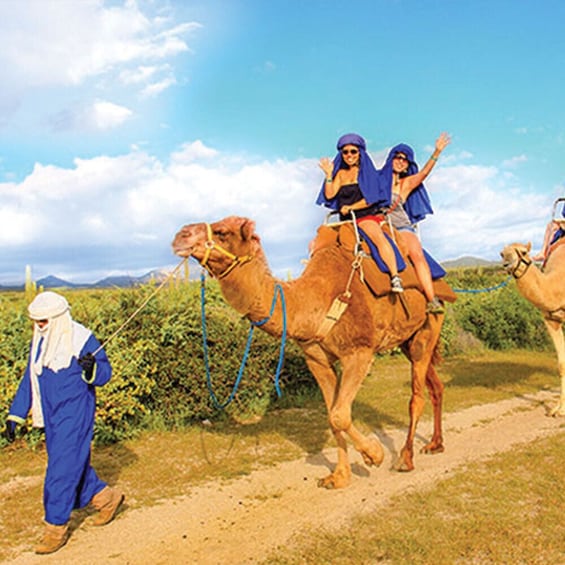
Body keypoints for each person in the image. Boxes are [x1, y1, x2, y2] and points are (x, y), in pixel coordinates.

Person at [3, 291, 124, 555]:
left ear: (57, 317)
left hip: (75, 413)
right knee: (72, 465)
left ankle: (55, 527)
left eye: (43, 320)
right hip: (51, 414)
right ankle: (106, 498)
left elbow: (105, 374)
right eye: (36, 320)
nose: (39, 325)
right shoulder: (40, 340)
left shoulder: (82, 339)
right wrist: (16, 415)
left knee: (60, 471)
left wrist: (91, 367)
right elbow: (30, 378)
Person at [317, 133, 404, 293]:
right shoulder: (341, 175)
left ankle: (395, 276)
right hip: (344, 219)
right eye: (345, 152)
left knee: (377, 237)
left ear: (360, 153)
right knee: (317, 242)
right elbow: (330, 195)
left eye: (353, 151)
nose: (349, 155)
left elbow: (371, 198)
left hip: (364, 216)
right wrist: (329, 175)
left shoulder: (367, 173)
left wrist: (351, 207)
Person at [378, 133, 451, 313]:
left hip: (401, 226)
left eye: (405, 160)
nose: (401, 161)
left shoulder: (406, 184)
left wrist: (437, 152)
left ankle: (430, 298)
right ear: (391, 158)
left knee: (417, 255)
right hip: (379, 226)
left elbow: (424, 173)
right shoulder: (377, 179)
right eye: (398, 157)